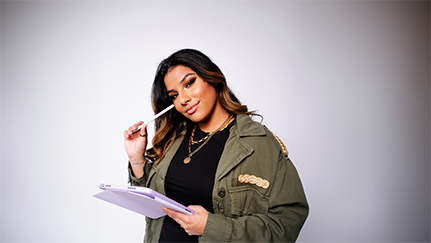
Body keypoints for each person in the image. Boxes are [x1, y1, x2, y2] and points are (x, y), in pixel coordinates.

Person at [124, 49, 309, 242]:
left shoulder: (258, 143)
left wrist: (211, 227)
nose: (183, 99)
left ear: (211, 77)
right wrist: (136, 158)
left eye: (189, 83)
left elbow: (286, 223)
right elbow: (155, 204)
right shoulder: (174, 140)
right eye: (174, 95)